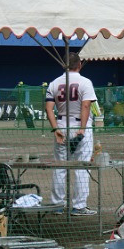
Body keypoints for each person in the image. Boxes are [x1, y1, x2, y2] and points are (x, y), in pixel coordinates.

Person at [45, 52, 97, 216]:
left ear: (64, 65)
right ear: (79, 65)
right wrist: (82, 128)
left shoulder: (54, 83)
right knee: (81, 167)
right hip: (79, 125)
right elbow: (86, 106)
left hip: (61, 123)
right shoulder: (85, 82)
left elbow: (48, 108)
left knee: (60, 166)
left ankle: (57, 204)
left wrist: (55, 129)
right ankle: (79, 206)